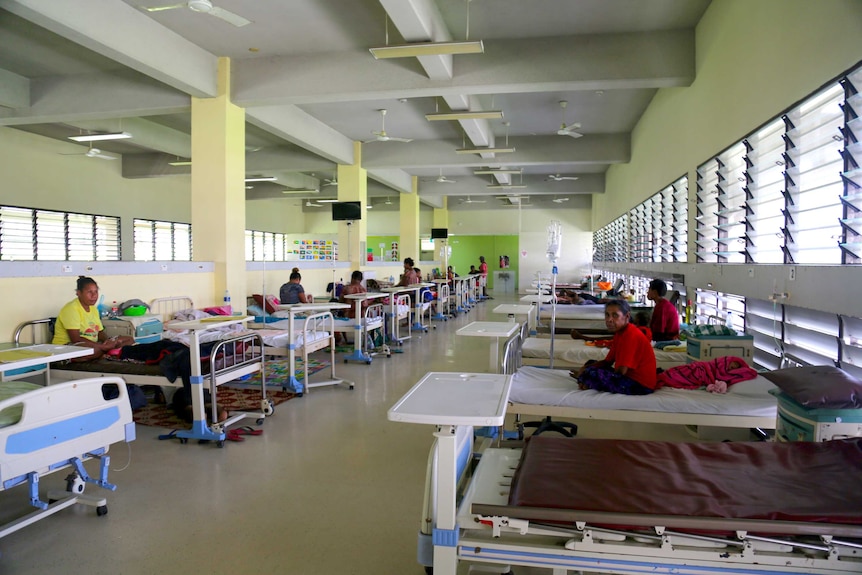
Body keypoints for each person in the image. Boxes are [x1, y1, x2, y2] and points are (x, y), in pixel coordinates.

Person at [570, 300, 657, 395]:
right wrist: (584, 368)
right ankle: (585, 381)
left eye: (615, 315)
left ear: (626, 316)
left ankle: (585, 382)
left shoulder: (630, 335)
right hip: (629, 377)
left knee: (591, 373)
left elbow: (620, 372)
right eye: (607, 315)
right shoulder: (620, 334)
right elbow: (608, 362)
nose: (609, 319)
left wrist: (588, 374)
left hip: (640, 385)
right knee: (591, 364)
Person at [53, 276, 135, 360]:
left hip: (94, 344)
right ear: (78, 293)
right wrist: (102, 347)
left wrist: (107, 342)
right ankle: (104, 353)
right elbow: (76, 339)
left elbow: (100, 332)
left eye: (96, 292)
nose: (94, 295)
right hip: (69, 346)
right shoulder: (71, 309)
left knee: (129, 340)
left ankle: (105, 352)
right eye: (89, 292)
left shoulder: (93, 309)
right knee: (93, 350)